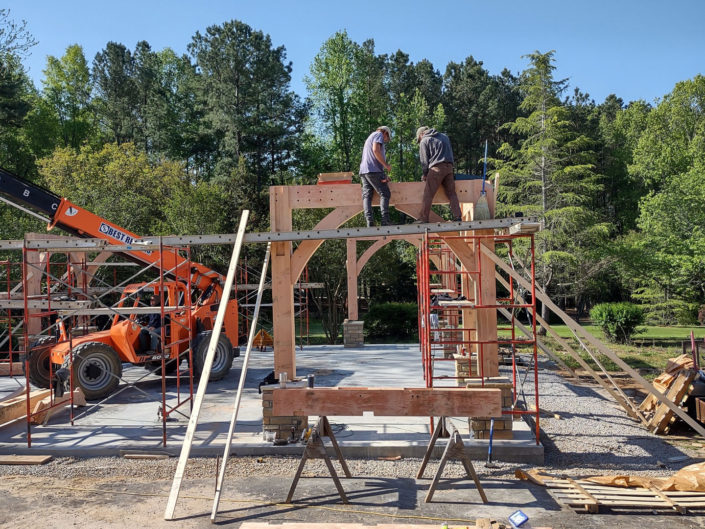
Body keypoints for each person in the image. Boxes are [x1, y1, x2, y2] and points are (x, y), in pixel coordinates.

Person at [414, 126, 462, 223]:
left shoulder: (425, 140)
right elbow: (451, 153)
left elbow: (424, 161)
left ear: (421, 134)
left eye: (419, 139)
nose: (420, 141)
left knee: (428, 194)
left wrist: (425, 174)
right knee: (452, 193)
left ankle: (423, 218)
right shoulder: (444, 137)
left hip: (436, 168)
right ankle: (457, 217)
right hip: (449, 168)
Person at [359, 126, 392, 227]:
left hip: (364, 171)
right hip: (373, 171)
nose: (386, 140)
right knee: (385, 193)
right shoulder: (378, 135)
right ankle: (385, 220)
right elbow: (376, 150)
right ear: (385, 132)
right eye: (387, 138)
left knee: (367, 196)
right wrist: (386, 165)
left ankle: (370, 222)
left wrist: (383, 175)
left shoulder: (370, 137)